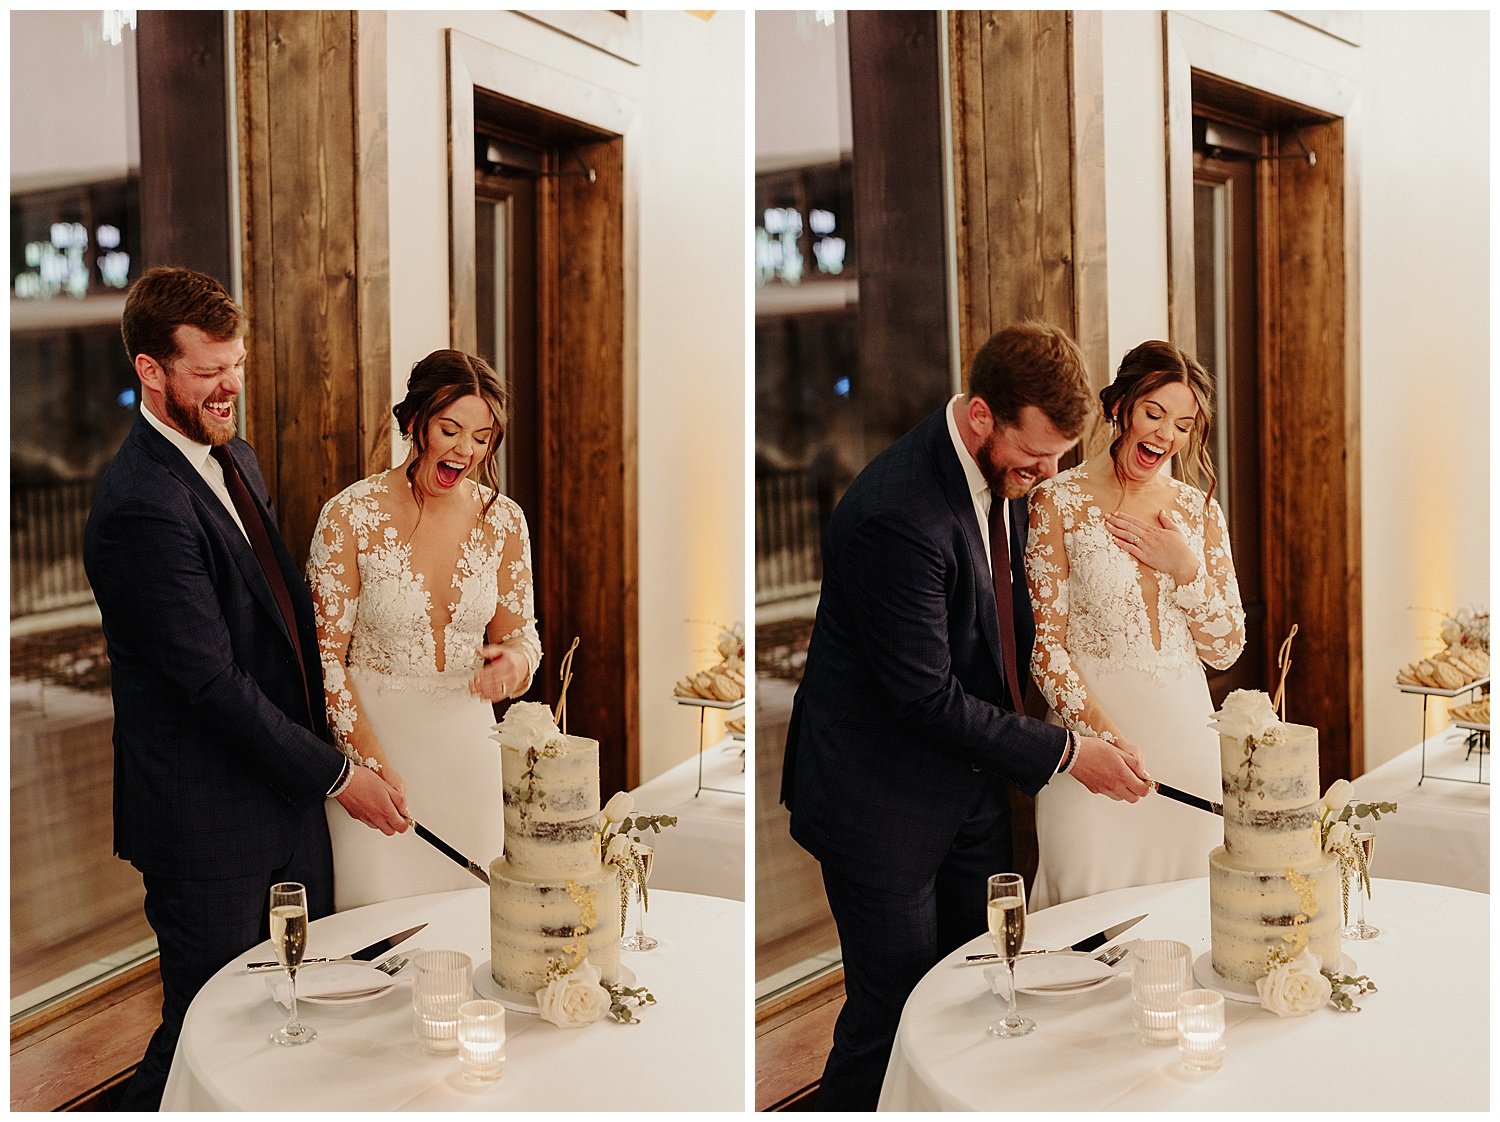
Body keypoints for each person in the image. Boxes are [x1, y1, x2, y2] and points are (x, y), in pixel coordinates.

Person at [780, 322, 1152, 1111]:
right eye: (1039, 454)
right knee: (892, 1016)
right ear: (983, 416)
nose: (1048, 474)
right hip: (878, 806)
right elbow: (925, 696)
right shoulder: (897, 513)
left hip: (969, 793)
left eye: (1059, 456)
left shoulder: (1003, 480)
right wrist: (1065, 752)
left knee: (978, 997)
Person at [83, 266, 407, 1110]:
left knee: (298, 1007)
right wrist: (338, 777)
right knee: (206, 1029)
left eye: (236, 363)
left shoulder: (236, 456)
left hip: (284, 798)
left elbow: (285, 625)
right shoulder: (141, 506)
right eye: (207, 370)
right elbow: (211, 683)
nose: (229, 386)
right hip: (203, 821)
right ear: (151, 371)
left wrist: (336, 749)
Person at [307, 349, 541, 909]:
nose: (465, 450)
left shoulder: (503, 520)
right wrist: (369, 769)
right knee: (378, 930)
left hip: (468, 756)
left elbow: (522, 636)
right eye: (450, 429)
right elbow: (325, 660)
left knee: (470, 925)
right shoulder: (350, 517)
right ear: (415, 423)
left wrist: (514, 666)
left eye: (481, 438)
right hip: (376, 757)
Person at [1026, 339, 1246, 909]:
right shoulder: (1056, 502)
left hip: (1188, 750)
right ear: (1120, 406)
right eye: (1154, 414)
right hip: (1093, 756)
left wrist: (1185, 567)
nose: (1166, 435)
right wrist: (1105, 743)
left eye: (1183, 424)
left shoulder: (1198, 512)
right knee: (1083, 921)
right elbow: (1047, 651)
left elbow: (1225, 649)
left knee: (1187, 924)